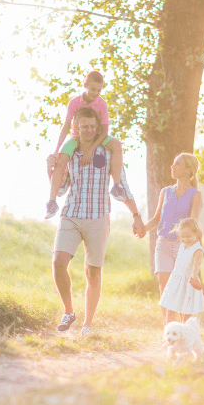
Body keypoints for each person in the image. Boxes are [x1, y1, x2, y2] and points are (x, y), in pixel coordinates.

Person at [43, 107, 145, 336]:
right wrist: (49, 167)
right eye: (84, 127)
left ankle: (87, 324)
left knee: (93, 272)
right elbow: (60, 190)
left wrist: (136, 215)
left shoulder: (107, 152)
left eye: (92, 127)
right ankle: (69, 312)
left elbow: (123, 185)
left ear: (98, 128)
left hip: (98, 218)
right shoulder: (69, 154)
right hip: (71, 214)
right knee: (59, 262)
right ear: (76, 129)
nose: (88, 130)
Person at [141, 153, 204, 322]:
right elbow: (156, 219)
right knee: (165, 286)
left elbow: (193, 223)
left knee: (183, 288)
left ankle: (185, 330)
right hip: (163, 245)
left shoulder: (194, 195)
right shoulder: (165, 192)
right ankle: (170, 332)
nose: (172, 166)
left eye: (177, 164)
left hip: (183, 247)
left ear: (188, 170)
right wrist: (143, 229)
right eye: (173, 163)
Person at [47, 70, 126, 201]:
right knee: (61, 158)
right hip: (77, 138)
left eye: (99, 90)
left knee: (117, 144)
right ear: (85, 85)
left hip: (97, 137)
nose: (96, 93)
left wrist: (90, 150)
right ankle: (51, 201)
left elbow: (105, 132)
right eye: (93, 89)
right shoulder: (74, 102)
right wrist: (56, 150)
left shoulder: (101, 104)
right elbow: (66, 126)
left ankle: (116, 185)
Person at [159, 218, 204, 324]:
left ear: (196, 234)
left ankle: (185, 334)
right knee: (170, 308)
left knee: (186, 312)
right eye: (182, 236)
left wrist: (193, 278)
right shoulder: (183, 245)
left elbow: (196, 266)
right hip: (175, 280)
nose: (185, 239)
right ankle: (169, 334)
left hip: (187, 283)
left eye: (188, 236)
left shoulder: (197, 250)